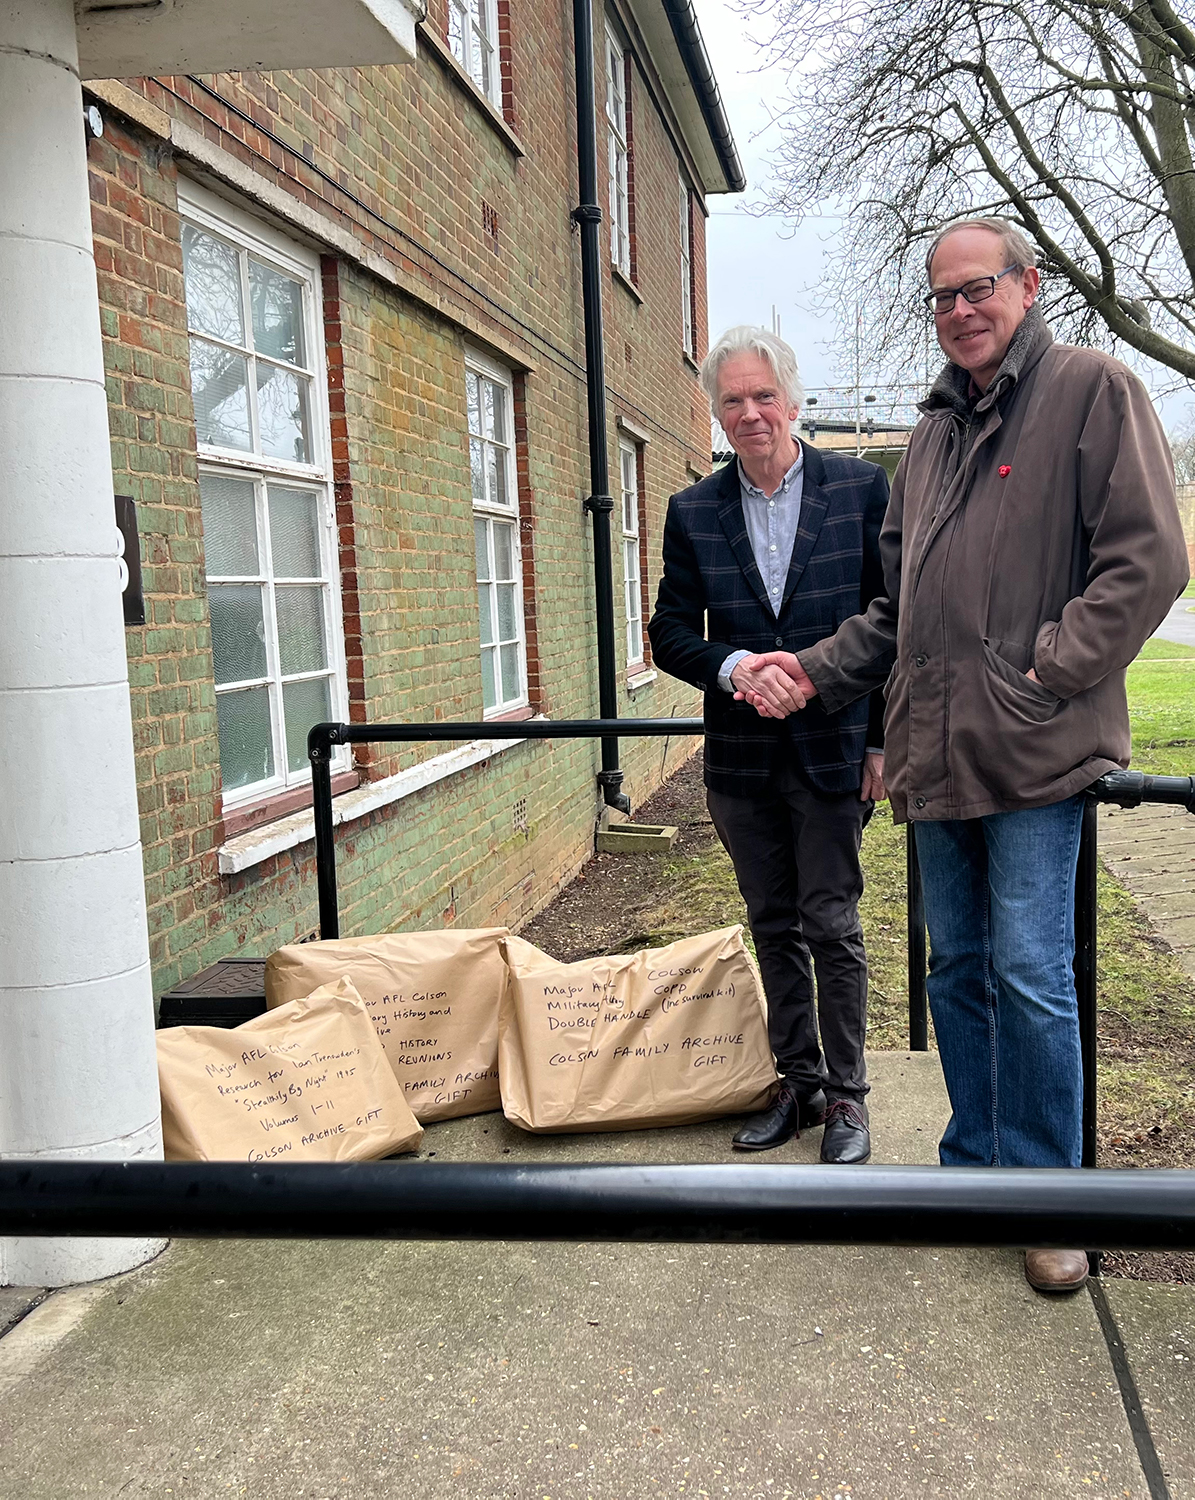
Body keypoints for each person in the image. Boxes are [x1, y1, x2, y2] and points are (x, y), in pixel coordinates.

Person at [737, 220, 1189, 1290]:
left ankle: (1048, 1204)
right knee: (959, 973)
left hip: (1034, 750)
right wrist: (811, 673)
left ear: (1027, 288)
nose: (957, 311)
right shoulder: (932, 436)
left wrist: (1044, 672)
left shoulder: (1091, 389)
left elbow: (1148, 558)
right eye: (939, 298)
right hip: (937, 762)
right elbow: (899, 612)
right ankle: (975, 1170)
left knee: (1033, 976)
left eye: (975, 289)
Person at [648, 326, 890, 1163]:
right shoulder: (693, 509)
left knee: (832, 922)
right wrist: (735, 665)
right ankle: (799, 1082)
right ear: (715, 414)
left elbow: (891, 621)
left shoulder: (860, 489)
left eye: (762, 397)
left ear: (792, 402)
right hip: (741, 759)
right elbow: (669, 632)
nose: (749, 414)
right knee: (771, 923)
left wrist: (881, 743)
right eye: (731, 401)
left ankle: (849, 1099)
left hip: (834, 748)